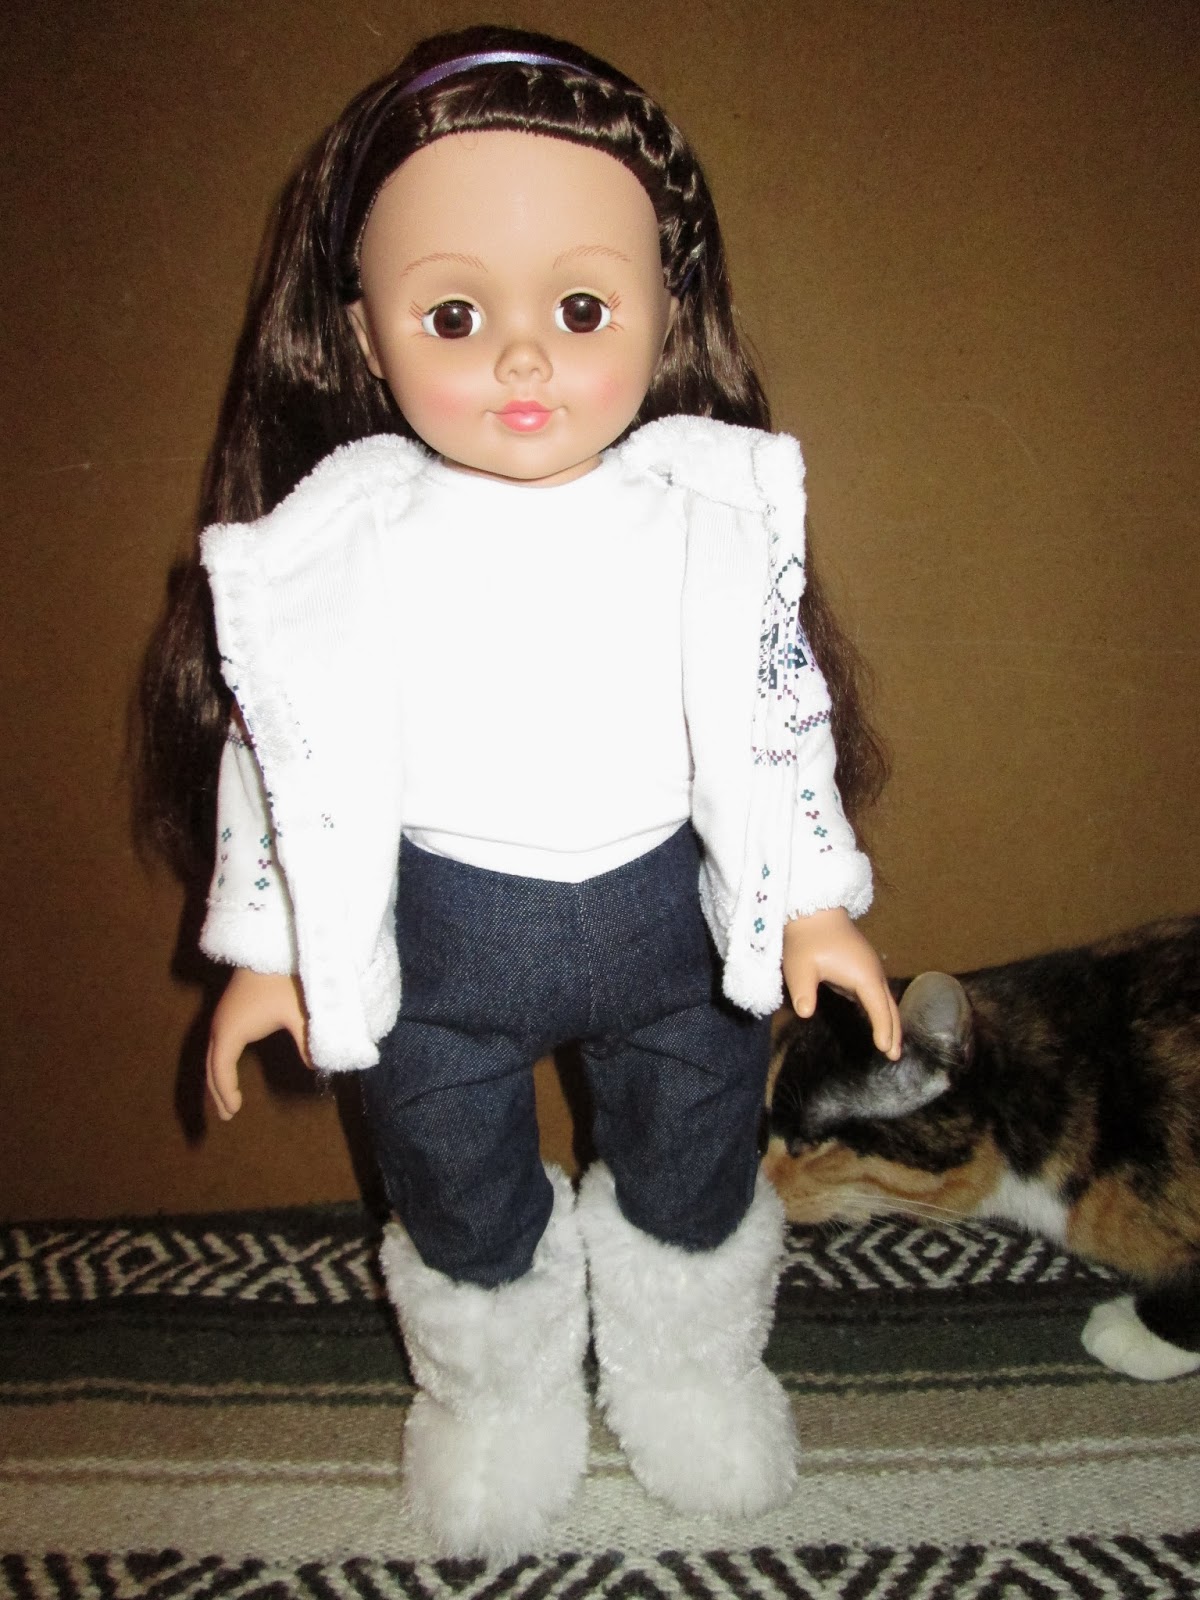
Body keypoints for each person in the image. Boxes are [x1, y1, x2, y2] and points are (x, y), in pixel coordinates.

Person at [138, 24, 900, 1560]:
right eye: (453, 313)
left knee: (694, 1149)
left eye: (580, 306)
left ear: (666, 310)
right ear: (364, 338)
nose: (525, 358)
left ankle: (688, 1367)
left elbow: (776, 713)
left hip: (670, 919)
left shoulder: (705, 513)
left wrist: (816, 902)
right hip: (440, 935)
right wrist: (270, 952)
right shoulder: (337, 549)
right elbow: (285, 750)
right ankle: (494, 1398)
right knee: (450, 1174)